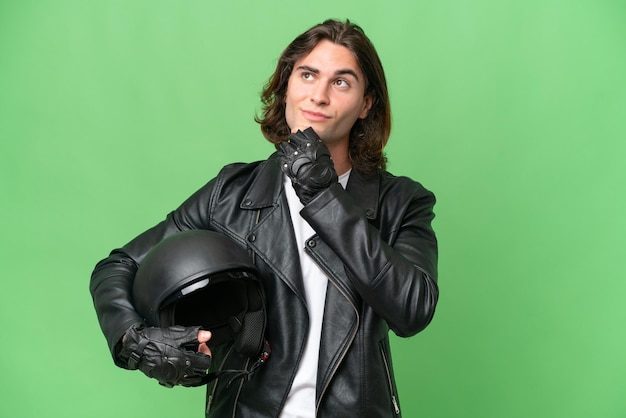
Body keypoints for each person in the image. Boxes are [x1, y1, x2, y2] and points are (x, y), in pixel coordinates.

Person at [90, 18, 439, 417]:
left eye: (341, 82)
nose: (319, 95)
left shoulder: (401, 201)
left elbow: (413, 309)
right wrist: (134, 340)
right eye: (308, 75)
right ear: (287, 85)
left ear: (366, 104)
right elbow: (118, 266)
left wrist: (323, 195)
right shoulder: (231, 193)